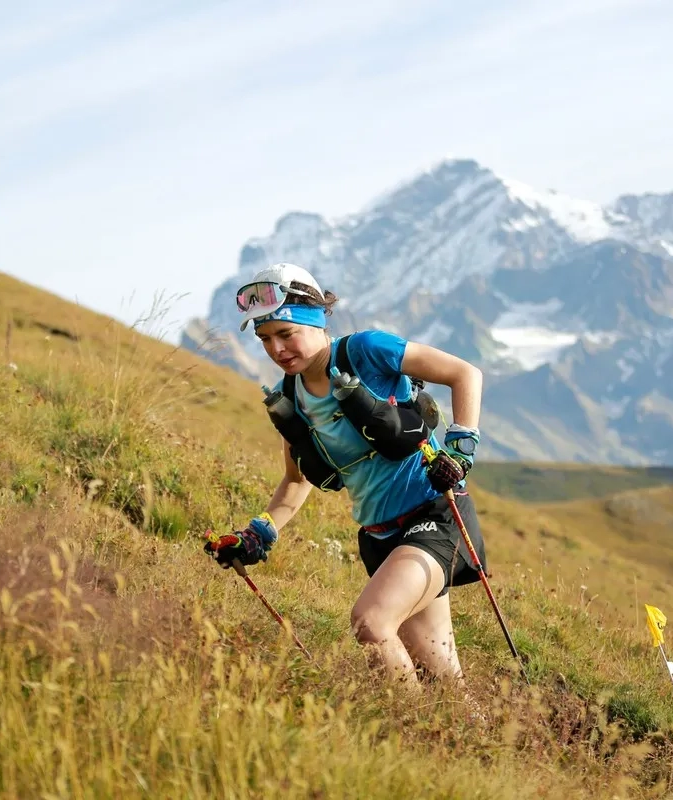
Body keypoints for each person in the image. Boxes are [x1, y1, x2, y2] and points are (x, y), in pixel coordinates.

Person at [204, 262, 488, 686]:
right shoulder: (289, 398)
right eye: (265, 339)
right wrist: (257, 534)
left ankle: (413, 737)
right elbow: (296, 481)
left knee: (370, 623)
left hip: (436, 516)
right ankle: (469, 743)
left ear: (315, 321)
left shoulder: (368, 351)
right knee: (446, 684)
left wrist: (461, 449)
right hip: (380, 539)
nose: (277, 349)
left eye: (286, 333)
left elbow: (464, 373)